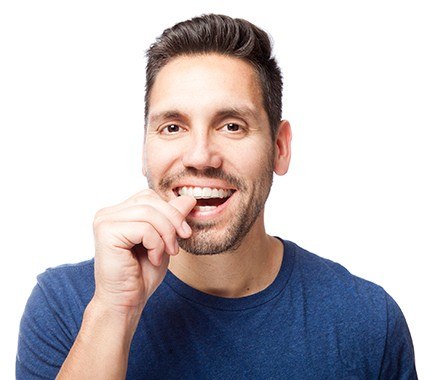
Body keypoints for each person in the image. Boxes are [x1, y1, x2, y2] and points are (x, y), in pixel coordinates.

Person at [16, 14, 417, 379]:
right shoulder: (65, 307)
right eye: (173, 127)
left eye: (231, 126)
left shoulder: (367, 320)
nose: (199, 157)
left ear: (280, 148)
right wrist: (113, 311)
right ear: (144, 149)